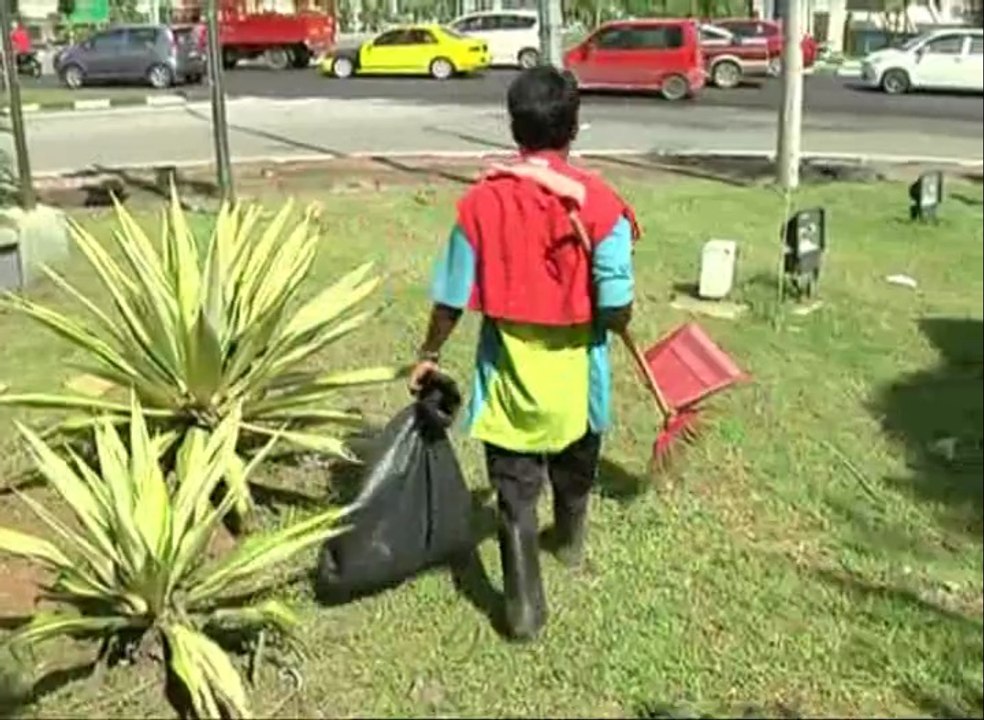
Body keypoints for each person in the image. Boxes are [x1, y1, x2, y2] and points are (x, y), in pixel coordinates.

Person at [409, 65, 639, 642]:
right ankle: (570, 542)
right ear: (575, 128)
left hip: (511, 383)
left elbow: (450, 297)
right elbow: (617, 306)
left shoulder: (480, 204)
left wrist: (429, 353)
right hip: (579, 385)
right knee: (575, 472)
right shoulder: (602, 204)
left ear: (514, 128)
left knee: (514, 497)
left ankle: (522, 613)